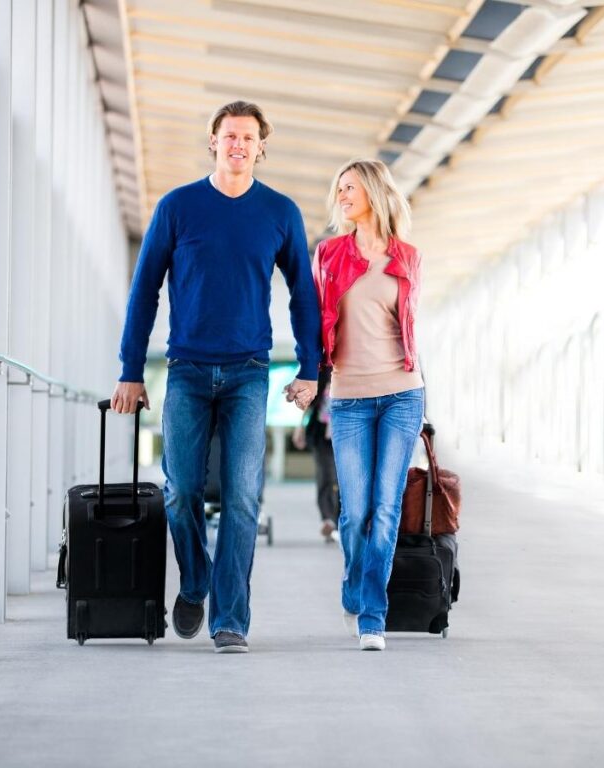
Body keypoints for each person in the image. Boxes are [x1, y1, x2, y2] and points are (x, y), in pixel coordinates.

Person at [111, 101, 321, 654]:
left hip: (249, 373)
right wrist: (131, 370)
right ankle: (195, 581)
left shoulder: (280, 212)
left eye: (248, 137)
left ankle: (231, 618)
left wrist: (310, 367)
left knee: (243, 496)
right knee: (180, 490)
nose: (238, 145)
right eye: (229, 135)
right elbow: (144, 290)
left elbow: (303, 294)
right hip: (186, 370)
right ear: (213, 141)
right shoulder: (177, 207)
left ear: (261, 146)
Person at [313, 159, 424, 651]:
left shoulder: (408, 257)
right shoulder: (329, 254)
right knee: (355, 512)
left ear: (375, 193)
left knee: (385, 508)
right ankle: (354, 588)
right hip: (350, 397)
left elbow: (408, 327)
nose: (341, 196)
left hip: (402, 393)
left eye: (350, 187)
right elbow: (315, 321)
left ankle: (372, 617)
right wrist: (308, 378)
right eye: (339, 189)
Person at [291, 366, 340, 542]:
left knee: (342, 479)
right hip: (321, 433)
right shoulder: (323, 371)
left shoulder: (354, 369)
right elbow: (310, 402)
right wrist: (300, 427)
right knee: (326, 475)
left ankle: (339, 521)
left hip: (346, 433)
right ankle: (328, 519)